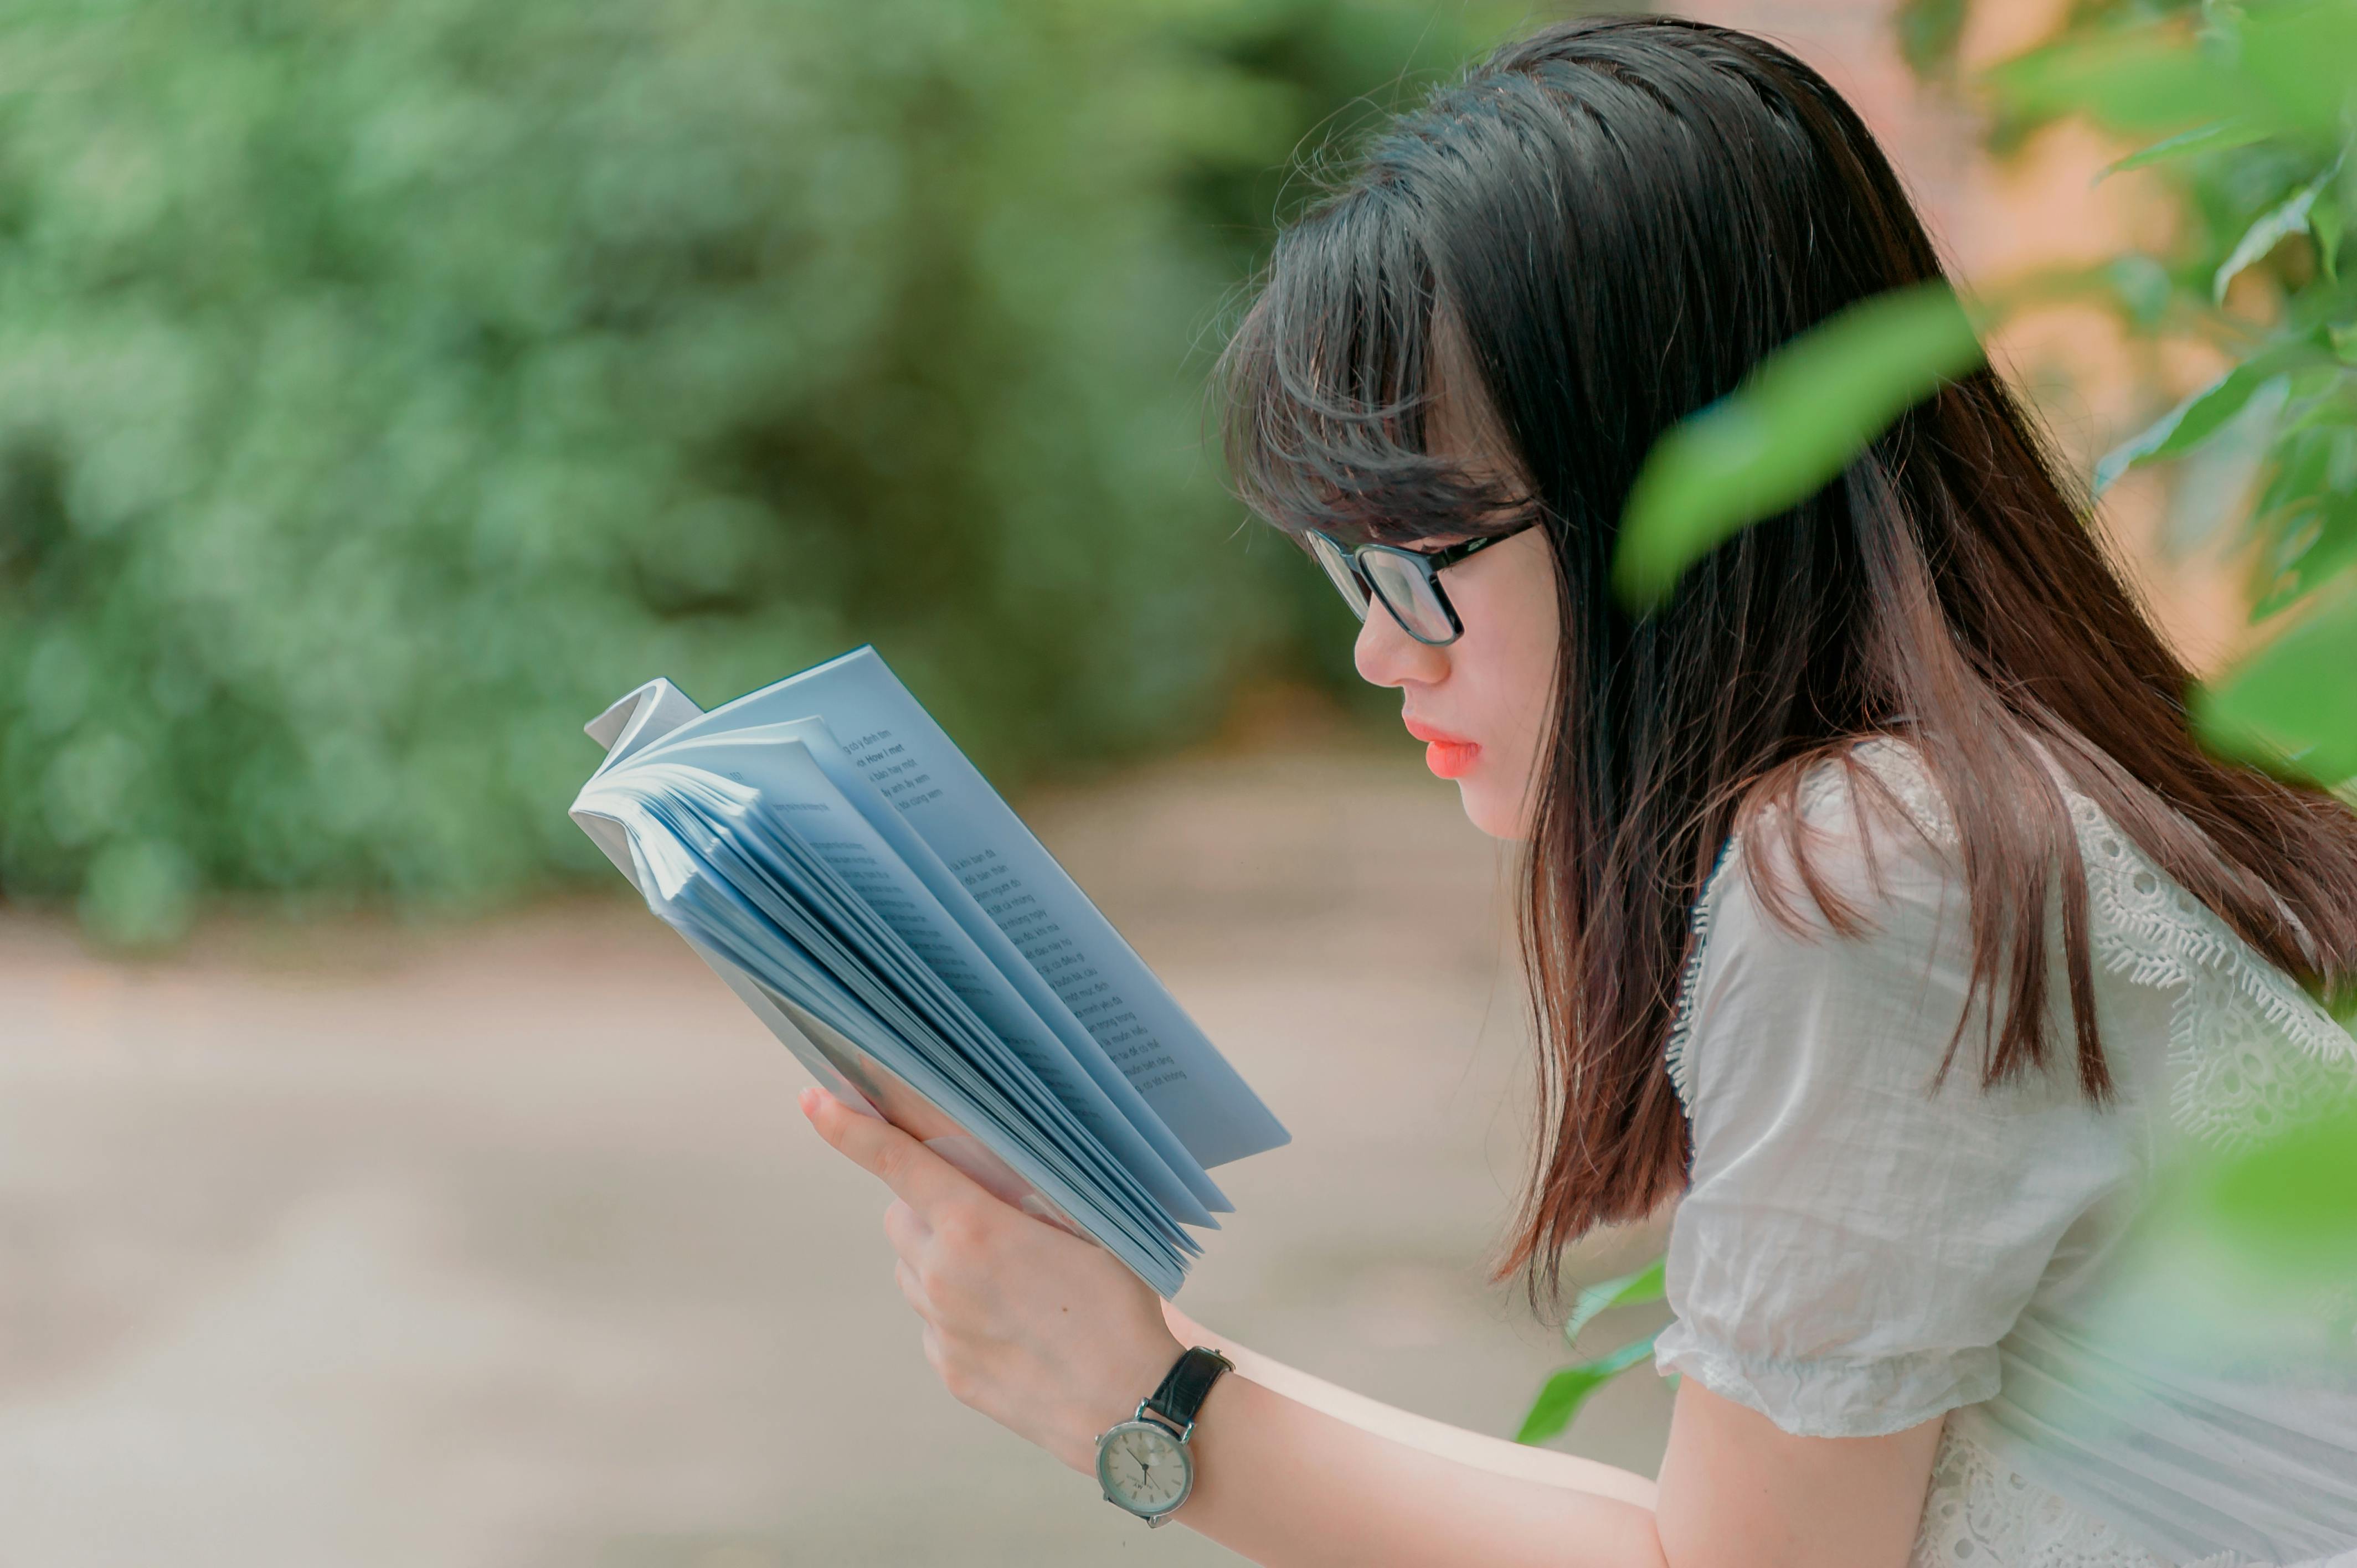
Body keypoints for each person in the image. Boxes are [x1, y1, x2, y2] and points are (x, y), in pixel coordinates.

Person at [800, 14, 2357, 1566]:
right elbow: (1717, 1531)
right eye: (1347, 571)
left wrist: (1142, 1410)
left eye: (1415, 563)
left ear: (1668, 504)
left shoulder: (1876, 867)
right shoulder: (1986, 806)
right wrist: (1155, 1376)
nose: (1378, 653)